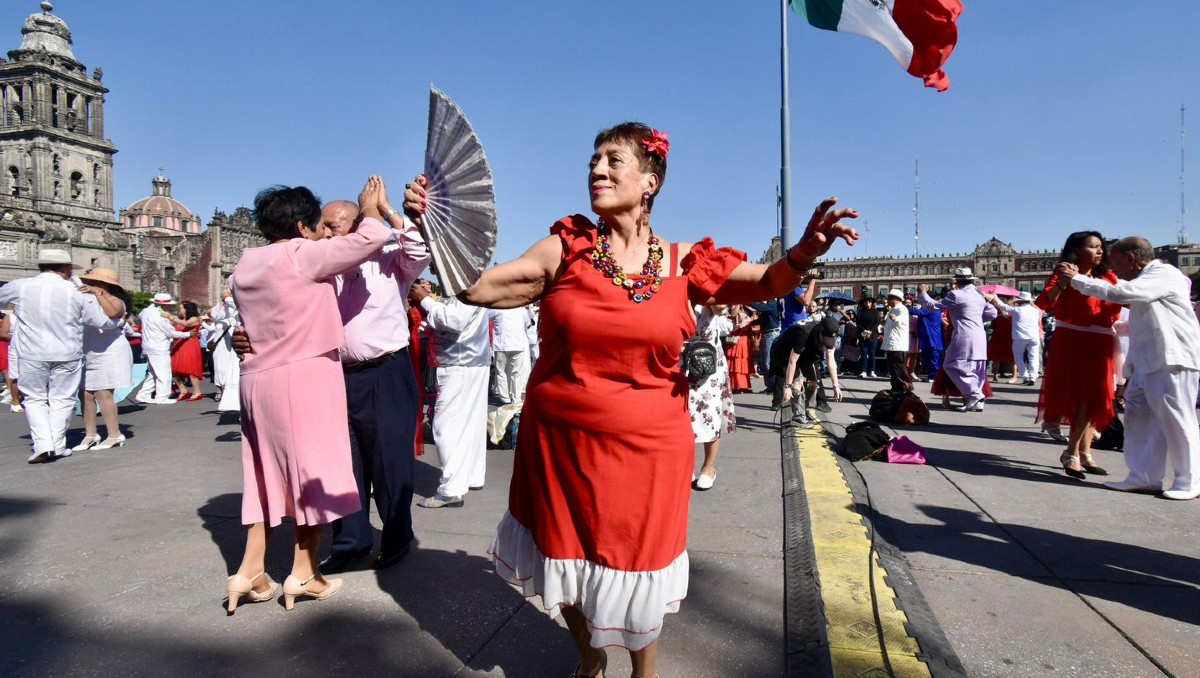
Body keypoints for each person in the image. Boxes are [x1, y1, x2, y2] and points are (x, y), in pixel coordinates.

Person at [403, 121, 859, 678]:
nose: (597, 169)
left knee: (642, 567)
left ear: (650, 181)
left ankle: (645, 674)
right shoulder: (565, 249)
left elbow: (767, 282)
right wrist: (433, 227)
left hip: (649, 453)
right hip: (560, 447)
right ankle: (590, 658)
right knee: (564, 559)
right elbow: (475, 288)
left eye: (613, 160)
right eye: (593, 161)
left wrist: (806, 251)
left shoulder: (685, 262)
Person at [224, 179, 400, 613]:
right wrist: (370, 208)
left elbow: (249, 324)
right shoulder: (302, 254)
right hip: (306, 376)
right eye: (319, 226)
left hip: (257, 379)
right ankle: (303, 572)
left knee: (265, 475)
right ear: (302, 227)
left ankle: (249, 570)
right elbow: (372, 237)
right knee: (316, 475)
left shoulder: (244, 266)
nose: (324, 234)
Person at [314, 189, 430, 574]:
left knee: (389, 462)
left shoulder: (388, 260)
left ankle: (396, 538)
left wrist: (385, 211)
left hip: (386, 373)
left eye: (333, 226)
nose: (325, 233)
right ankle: (351, 541)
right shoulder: (325, 269)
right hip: (338, 375)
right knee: (343, 463)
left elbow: (420, 250)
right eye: (322, 226)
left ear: (357, 226)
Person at [1060, 237, 1200, 500]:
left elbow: (1123, 293)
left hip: (1172, 359)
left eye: (1115, 261)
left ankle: (1189, 481)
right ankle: (1143, 476)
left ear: (1131, 259)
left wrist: (1077, 279)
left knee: (1177, 419)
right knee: (1139, 418)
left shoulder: (1163, 274)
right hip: (1148, 361)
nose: (1112, 268)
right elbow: (1145, 319)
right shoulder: (1147, 281)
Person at [0, 249, 123, 463]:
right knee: (63, 398)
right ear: (65, 269)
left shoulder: (20, 286)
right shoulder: (77, 291)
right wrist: (118, 323)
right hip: (68, 351)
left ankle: (44, 444)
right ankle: (57, 444)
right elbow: (100, 321)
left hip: (32, 350)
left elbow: (3, 302)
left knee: (35, 398)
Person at [1035, 231, 1122, 480]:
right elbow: (1044, 303)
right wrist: (1063, 283)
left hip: (1102, 340)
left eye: (1101, 246)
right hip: (1073, 339)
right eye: (1093, 246)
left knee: (1098, 397)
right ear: (1077, 250)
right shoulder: (1064, 272)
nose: (1100, 251)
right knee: (1082, 398)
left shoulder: (1109, 276)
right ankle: (1073, 452)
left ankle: (1084, 452)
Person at [411, 284, 491, 508]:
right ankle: (472, 475)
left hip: (459, 362)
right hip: (472, 360)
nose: (432, 270)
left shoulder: (462, 282)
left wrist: (425, 300)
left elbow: (454, 320)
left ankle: (451, 490)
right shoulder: (470, 280)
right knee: (470, 423)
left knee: (445, 425)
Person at [71, 268, 134, 451]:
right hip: (89, 349)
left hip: (110, 349)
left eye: (94, 282)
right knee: (85, 394)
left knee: (103, 393)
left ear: (105, 285)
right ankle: (90, 434)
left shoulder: (116, 300)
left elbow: (113, 313)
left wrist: (98, 295)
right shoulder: (86, 298)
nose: (89, 284)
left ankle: (114, 434)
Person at [918, 269, 997, 412]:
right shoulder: (980, 294)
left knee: (951, 364)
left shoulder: (956, 294)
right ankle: (977, 401)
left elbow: (933, 306)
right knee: (977, 367)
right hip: (979, 334)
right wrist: (976, 319)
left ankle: (975, 394)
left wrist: (923, 293)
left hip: (964, 334)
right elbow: (993, 313)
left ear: (958, 281)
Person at [689, 304, 736, 490]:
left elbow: (720, 306)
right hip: (679, 360)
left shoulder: (708, 295)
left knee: (710, 416)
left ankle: (708, 468)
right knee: (682, 418)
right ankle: (686, 465)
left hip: (706, 364)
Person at [770, 315, 844, 428]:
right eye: (825, 339)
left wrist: (836, 386)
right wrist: (788, 386)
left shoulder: (829, 333)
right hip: (783, 351)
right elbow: (792, 361)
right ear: (820, 332)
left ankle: (804, 410)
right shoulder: (803, 332)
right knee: (798, 381)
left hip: (805, 351)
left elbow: (831, 359)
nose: (827, 343)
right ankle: (798, 417)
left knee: (813, 382)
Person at [134, 294, 191, 404]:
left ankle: (143, 394)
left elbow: (140, 318)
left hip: (148, 345)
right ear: (164, 305)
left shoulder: (145, 311)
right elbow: (171, 333)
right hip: (159, 347)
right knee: (164, 373)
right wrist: (188, 334)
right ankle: (162, 396)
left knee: (154, 373)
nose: (170, 307)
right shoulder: (160, 317)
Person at [986, 291, 1043, 386]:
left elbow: (1002, 306)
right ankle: (1033, 377)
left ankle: (1025, 375)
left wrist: (995, 297)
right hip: (1034, 336)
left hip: (1020, 337)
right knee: (1033, 357)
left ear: (1020, 301)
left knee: (1018, 357)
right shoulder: (1036, 311)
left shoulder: (1017, 310)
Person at [489, 306, 531, 404]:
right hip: (517, 344)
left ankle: (505, 398)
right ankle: (516, 398)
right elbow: (528, 324)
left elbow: (485, 316)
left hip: (501, 345)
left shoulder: (498, 308)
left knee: (501, 372)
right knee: (516, 373)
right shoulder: (522, 310)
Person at [165, 301, 204, 401]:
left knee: (191, 369)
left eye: (181, 308)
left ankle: (197, 392)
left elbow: (186, 324)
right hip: (179, 344)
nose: (180, 310)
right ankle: (183, 390)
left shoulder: (195, 318)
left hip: (190, 344)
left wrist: (171, 317)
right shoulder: (180, 318)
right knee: (174, 368)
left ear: (187, 309)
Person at [208, 289, 240, 406]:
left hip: (232, 340)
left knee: (230, 366)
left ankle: (229, 390)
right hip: (219, 341)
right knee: (218, 365)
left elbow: (237, 307)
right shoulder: (222, 308)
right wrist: (222, 302)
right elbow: (213, 315)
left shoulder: (236, 305)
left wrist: (227, 298)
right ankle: (219, 388)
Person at [882, 289, 913, 392]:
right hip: (892, 343)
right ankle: (896, 388)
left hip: (898, 344)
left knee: (898, 368)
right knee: (893, 368)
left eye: (889, 298)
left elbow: (901, 319)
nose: (887, 300)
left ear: (895, 299)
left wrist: (895, 318)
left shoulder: (902, 309)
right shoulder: (893, 309)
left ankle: (906, 387)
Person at [910, 298, 944, 383]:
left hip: (932, 339)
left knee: (933, 358)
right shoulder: (932, 309)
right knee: (929, 359)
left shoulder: (932, 309)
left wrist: (904, 308)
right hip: (928, 339)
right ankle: (932, 375)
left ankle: (935, 376)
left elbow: (917, 312)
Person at [749, 299, 781, 389]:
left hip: (771, 334)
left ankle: (774, 386)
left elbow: (759, 307)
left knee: (767, 362)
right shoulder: (768, 307)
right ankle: (769, 386)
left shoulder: (773, 304)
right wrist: (749, 323)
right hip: (766, 334)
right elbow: (760, 320)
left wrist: (749, 302)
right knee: (763, 362)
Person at [724, 304, 755, 393]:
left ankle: (744, 385)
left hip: (746, 336)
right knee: (737, 359)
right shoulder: (734, 306)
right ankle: (736, 385)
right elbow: (733, 314)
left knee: (745, 360)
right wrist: (737, 303)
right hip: (738, 336)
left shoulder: (747, 307)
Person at [986, 298, 1016, 382]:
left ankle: (995, 376)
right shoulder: (1012, 316)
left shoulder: (997, 316)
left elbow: (992, 325)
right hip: (1008, 337)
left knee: (997, 357)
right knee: (1012, 357)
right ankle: (1013, 375)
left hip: (999, 337)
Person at [856, 293, 881, 378]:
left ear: (871, 303)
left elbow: (877, 322)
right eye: (866, 302)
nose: (868, 303)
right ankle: (864, 371)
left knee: (872, 353)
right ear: (863, 303)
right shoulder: (860, 312)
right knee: (864, 352)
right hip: (863, 334)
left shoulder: (876, 312)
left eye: (869, 302)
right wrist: (864, 330)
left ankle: (872, 370)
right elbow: (858, 323)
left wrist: (871, 331)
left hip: (873, 334)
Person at [0, 310, 21, 413]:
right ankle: (15, 401)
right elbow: (3, 334)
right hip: (13, 349)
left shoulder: (32, 314)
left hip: (30, 350)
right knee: (14, 375)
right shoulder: (10, 317)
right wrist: (17, 337)